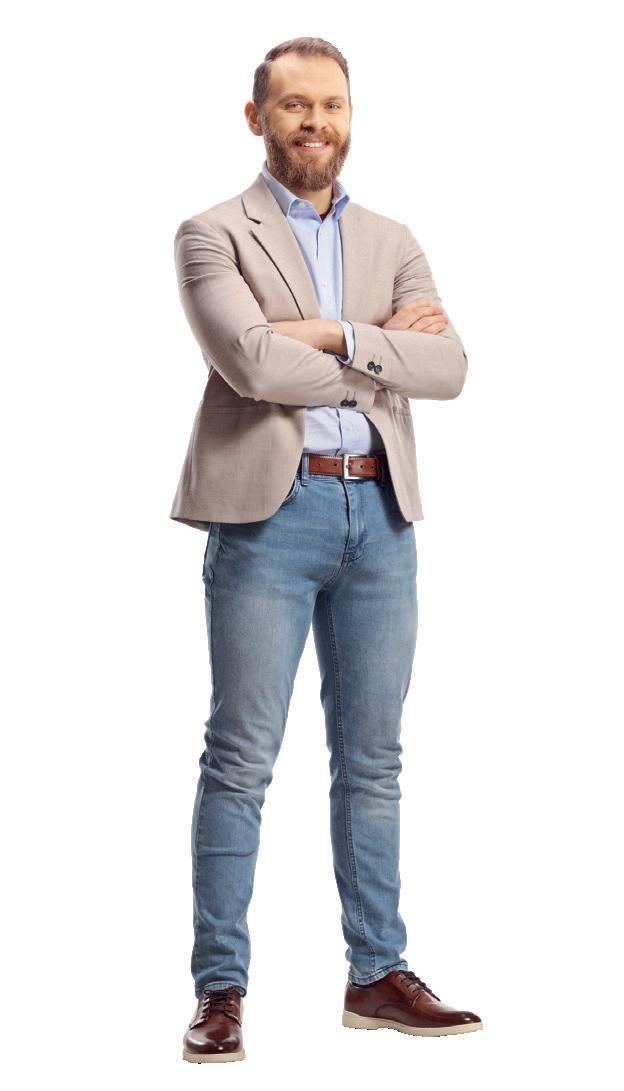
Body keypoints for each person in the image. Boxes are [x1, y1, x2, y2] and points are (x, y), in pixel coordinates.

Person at [172, 36, 482, 1063]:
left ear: (351, 116)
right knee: (240, 757)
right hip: (269, 516)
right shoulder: (211, 232)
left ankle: (377, 972)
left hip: (380, 516)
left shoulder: (394, 237)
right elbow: (251, 364)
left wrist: (333, 335)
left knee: (375, 760)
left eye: (333, 105)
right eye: (295, 105)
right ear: (256, 117)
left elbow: (449, 369)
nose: (317, 122)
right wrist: (382, 346)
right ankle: (220, 988)